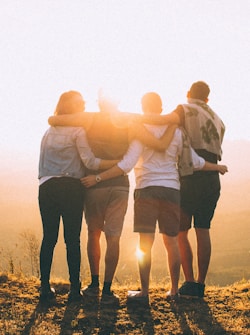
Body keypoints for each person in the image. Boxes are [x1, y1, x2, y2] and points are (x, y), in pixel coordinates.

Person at [81, 92, 228, 303]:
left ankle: (144, 293)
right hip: (172, 190)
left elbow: (127, 164)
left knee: (145, 243)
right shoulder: (177, 131)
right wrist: (217, 167)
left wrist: (98, 177)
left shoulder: (140, 130)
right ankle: (175, 291)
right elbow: (194, 162)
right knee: (172, 242)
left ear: (143, 107)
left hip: (146, 189)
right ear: (161, 108)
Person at [48, 94, 177, 305]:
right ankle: (107, 291)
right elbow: (158, 132)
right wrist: (173, 120)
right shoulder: (129, 120)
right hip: (119, 185)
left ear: (99, 102)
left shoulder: (89, 118)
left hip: (93, 184)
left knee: (93, 233)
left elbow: (55, 120)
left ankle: (94, 285)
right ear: (117, 102)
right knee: (113, 237)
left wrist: (53, 119)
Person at [38, 91, 119, 303]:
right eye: (80, 103)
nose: (83, 105)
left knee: (49, 238)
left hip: (46, 187)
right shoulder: (78, 130)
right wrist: (115, 163)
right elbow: (90, 162)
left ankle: (45, 289)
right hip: (71, 187)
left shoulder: (48, 131)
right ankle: (74, 291)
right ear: (72, 107)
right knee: (72, 240)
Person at [157, 81, 226, 298]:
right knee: (203, 229)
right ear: (207, 98)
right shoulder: (217, 119)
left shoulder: (184, 109)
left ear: (188, 94)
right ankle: (201, 284)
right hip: (212, 178)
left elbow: (165, 121)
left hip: (189, 177)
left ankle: (188, 282)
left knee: (181, 231)